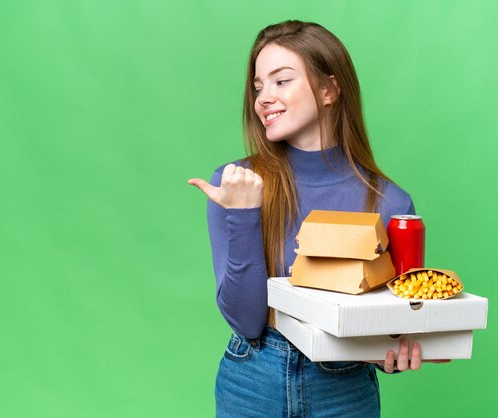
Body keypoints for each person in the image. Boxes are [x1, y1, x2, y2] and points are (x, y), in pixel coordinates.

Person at [188, 20, 447, 417]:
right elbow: (247, 320)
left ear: (329, 89)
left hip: (343, 391)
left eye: (281, 81)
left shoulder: (390, 202)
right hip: (251, 383)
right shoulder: (236, 184)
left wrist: (394, 349)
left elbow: (394, 320)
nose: (263, 99)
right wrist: (242, 214)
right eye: (258, 87)